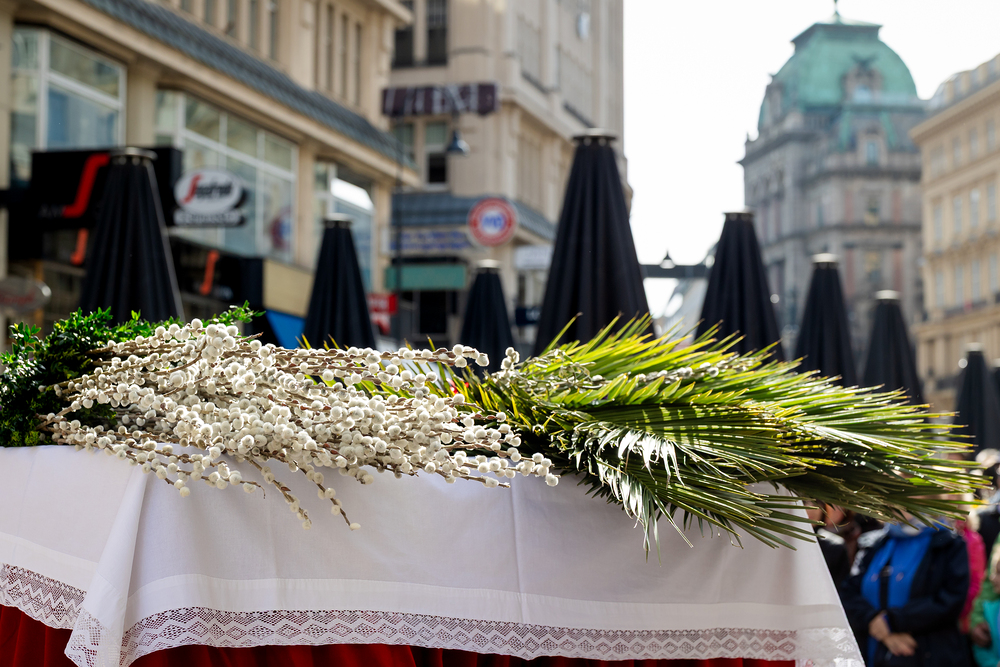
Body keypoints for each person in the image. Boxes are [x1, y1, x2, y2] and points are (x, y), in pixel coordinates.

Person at [840, 518, 970, 666]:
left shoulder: (949, 543)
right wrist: (874, 622)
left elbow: (950, 599)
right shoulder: (873, 543)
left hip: (927, 654)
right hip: (872, 652)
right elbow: (848, 594)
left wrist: (892, 621)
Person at [805, 502, 851, 587]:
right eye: (804, 503)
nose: (810, 508)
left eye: (816, 504)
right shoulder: (784, 541)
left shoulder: (835, 546)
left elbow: (841, 586)